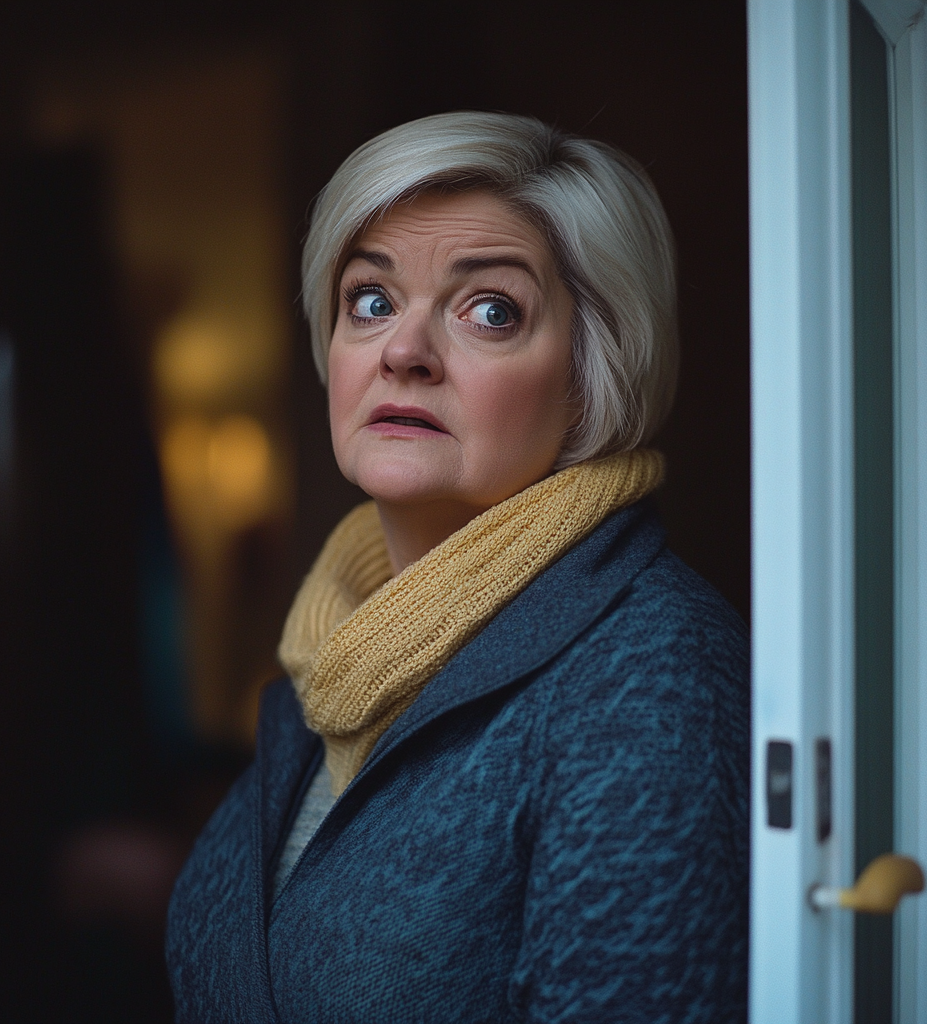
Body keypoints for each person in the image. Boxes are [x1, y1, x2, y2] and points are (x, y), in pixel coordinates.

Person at [166, 111, 749, 1023]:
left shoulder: (654, 669)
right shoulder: (331, 663)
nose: (403, 350)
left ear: (593, 374)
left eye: (490, 310)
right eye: (371, 298)